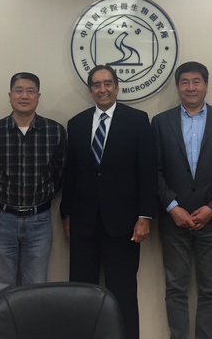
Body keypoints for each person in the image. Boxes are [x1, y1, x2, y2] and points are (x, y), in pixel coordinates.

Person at [60, 65, 157, 339]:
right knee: (81, 293)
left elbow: (147, 171)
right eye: (96, 84)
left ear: (116, 87)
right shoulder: (76, 123)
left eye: (107, 83)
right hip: (83, 224)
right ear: (90, 90)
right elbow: (71, 174)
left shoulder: (138, 120)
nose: (102, 89)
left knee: (123, 293)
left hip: (124, 225)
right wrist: (67, 214)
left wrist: (145, 216)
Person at [152, 61, 212, 339]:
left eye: (196, 81)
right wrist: (172, 207)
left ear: (206, 85)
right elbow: (154, 170)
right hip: (173, 221)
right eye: (185, 82)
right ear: (177, 87)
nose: (191, 87)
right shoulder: (160, 122)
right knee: (175, 289)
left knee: (210, 289)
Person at [0, 72, 67, 296]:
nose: (24, 96)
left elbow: (60, 174)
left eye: (30, 91)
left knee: (35, 288)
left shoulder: (55, 132)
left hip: (39, 221)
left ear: (38, 96)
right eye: (19, 90)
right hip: (1, 220)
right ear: (10, 96)